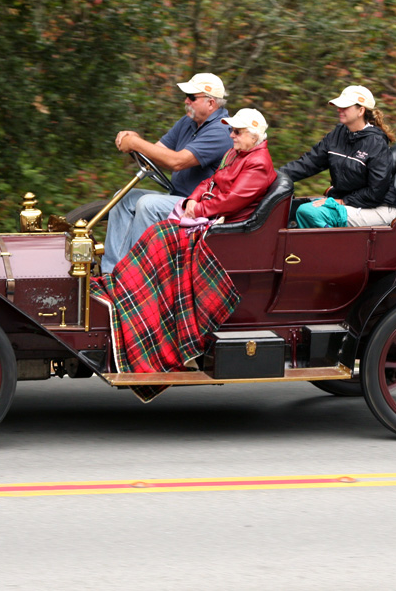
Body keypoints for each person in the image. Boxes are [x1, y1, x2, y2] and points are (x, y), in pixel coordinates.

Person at [92, 108, 276, 390]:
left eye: (237, 132)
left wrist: (199, 208)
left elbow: (233, 201)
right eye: (231, 130)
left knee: (155, 225)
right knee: (130, 203)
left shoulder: (258, 163)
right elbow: (210, 181)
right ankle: (115, 274)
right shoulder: (234, 154)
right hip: (206, 214)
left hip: (222, 226)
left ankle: (135, 281)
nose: (231, 135)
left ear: (253, 134)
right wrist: (194, 198)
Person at [101, 73, 233, 273]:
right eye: (186, 96)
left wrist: (136, 143)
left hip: (201, 209)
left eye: (192, 97)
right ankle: (110, 273)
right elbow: (156, 152)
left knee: (148, 205)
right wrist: (134, 138)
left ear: (211, 103)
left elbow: (176, 162)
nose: (186, 101)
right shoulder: (187, 122)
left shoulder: (222, 130)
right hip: (179, 198)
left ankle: (137, 277)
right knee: (123, 197)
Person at [280, 85, 396, 228]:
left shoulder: (376, 143)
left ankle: (329, 249)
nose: (339, 110)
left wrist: (342, 201)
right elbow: (309, 163)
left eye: (345, 106)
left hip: (377, 207)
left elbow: (377, 191)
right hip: (349, 202)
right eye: (339, 106)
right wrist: (273, 177)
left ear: (361, 110)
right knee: (289, 209)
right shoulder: (338, 134)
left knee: (309, 212)